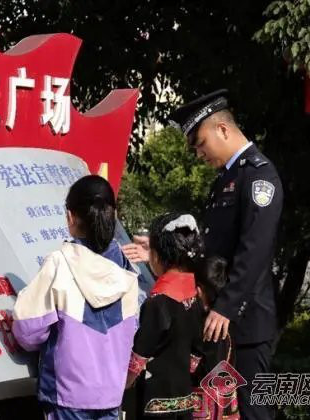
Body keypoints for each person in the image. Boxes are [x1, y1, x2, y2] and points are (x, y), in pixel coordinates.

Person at [124, 89, 282, 419]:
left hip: (244, 321)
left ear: (222, 129)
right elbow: (212, 249)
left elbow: (254, 249)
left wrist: (226, 307)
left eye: (200, 143)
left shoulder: (258, 177)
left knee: (252, 410)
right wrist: (163, 250)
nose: (199, 154)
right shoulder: (226, 180)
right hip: (215, 321)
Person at [12, 175, 139, 420]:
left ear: (70, 217)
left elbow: (28, 332)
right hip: (111, 396)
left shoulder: (60, 263)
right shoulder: (128, 271)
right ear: (112, 215)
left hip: (67, 397)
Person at [125, 213, 204, 419]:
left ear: (157, 255)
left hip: (156, 402)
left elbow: (140, 355)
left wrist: (125, 383)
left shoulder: (158, 302)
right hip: (185, 398)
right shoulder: (196, 297)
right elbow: (196, 352)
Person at [192, 256, 240, 419]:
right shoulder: (229, 322)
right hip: (226, 404)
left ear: (198, 290)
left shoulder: (209, 327)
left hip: (206, 407)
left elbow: (199, 368)